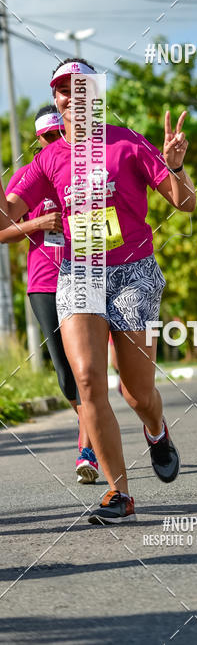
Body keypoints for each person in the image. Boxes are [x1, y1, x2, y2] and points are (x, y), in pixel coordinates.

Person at [0, 57, 197, 523]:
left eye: (80, 87)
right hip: (78, 273)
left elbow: (184, 203)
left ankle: (156, 430)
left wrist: (175, 168)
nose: (71, 96)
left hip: (132, 271)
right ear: (56, 99)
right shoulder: (47, 158)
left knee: (137, 392)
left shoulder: (126, 142)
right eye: (62, 90)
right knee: (87, 378)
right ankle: (118, 494)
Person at [1, 106, 98, 483]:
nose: (56, 141)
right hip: (44, 281)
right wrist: (39, 223)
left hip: (88, 273)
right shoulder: (30, 175)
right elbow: (2, 229)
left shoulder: (85, 168)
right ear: (38, 140)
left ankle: (87, 448)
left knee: (86, 370)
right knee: (65, 375)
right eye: (48, 137)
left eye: (61, 133)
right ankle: (94, 425)